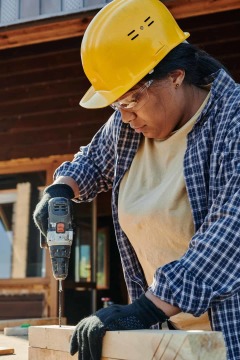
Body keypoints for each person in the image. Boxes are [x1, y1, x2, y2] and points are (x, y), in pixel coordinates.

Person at [33, 0, 240, 359]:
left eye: (130, 100)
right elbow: (92, 161)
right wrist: (61, 189)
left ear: (176, 76)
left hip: (226, 337)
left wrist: (145, 308)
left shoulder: (232, 121)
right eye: (115, 104)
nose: (124, 116)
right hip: (167, 341)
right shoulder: (128, 126)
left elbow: (230, 231)